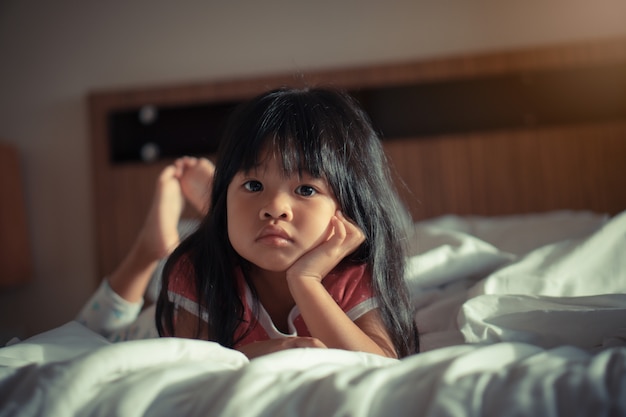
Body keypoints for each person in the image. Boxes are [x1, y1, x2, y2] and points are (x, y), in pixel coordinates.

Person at [80, 87, 419, 358]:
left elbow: (379, 366)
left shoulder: (355, 274)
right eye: (254, 185)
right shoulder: (197, 270)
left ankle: (217, 201)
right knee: (91, 336)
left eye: (305, 189)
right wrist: (263, 352)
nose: (275, 208)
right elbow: (191, 365)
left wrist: (307, 281)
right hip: (149, 328)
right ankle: (149, 250)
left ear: (346, 207)